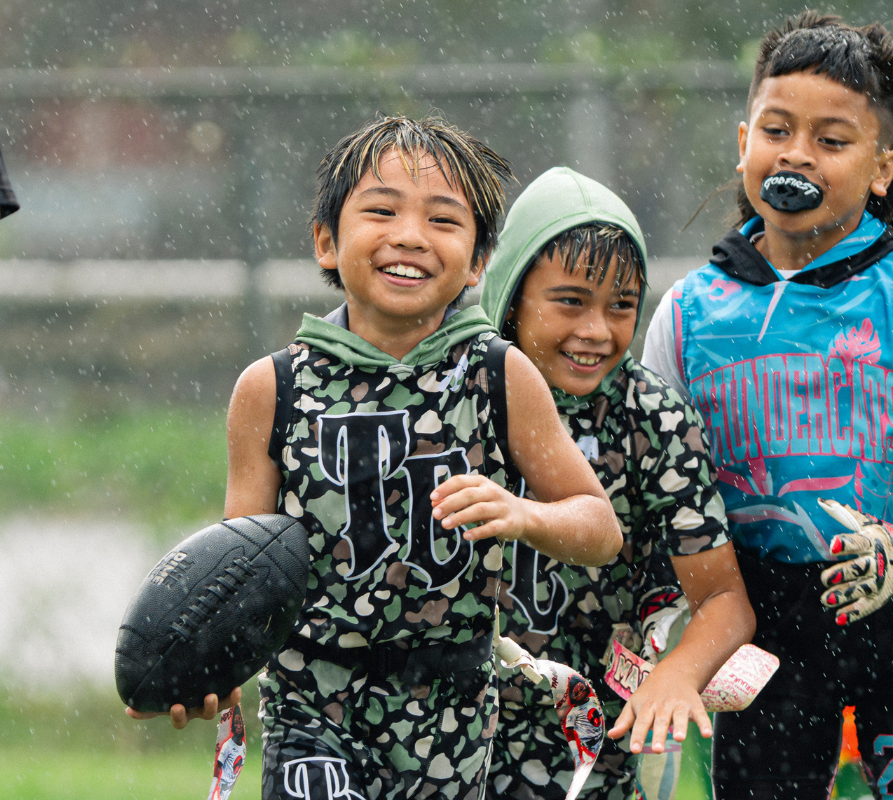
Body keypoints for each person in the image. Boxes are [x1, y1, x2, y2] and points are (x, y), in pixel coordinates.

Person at [128, 115, 623, 800]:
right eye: (382, 211)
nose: (410, 236)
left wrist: (521, 513)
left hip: (451, 716)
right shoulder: (272, 388)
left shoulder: (498, 375)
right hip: (312, 702)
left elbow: (600, 529)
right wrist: (201, 669)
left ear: (479, 259)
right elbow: (241, 577)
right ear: (327, 242)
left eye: (444, 221)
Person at [640, 13, 893, 800]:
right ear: (742, 141)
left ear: (882, 168)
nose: (796, 153)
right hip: (762, 625)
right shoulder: (687, 312)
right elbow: (653, 484)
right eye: (777, 129)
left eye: (831, 139)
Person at [479, 167, 756, 800]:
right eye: (571, 300)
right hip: (452, 725)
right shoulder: (460, 395)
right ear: (512, 295)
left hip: (590, 733)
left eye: (621, 305)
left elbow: (724, 601)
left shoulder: (653, 419)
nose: (597, 330)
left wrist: (677, 677)